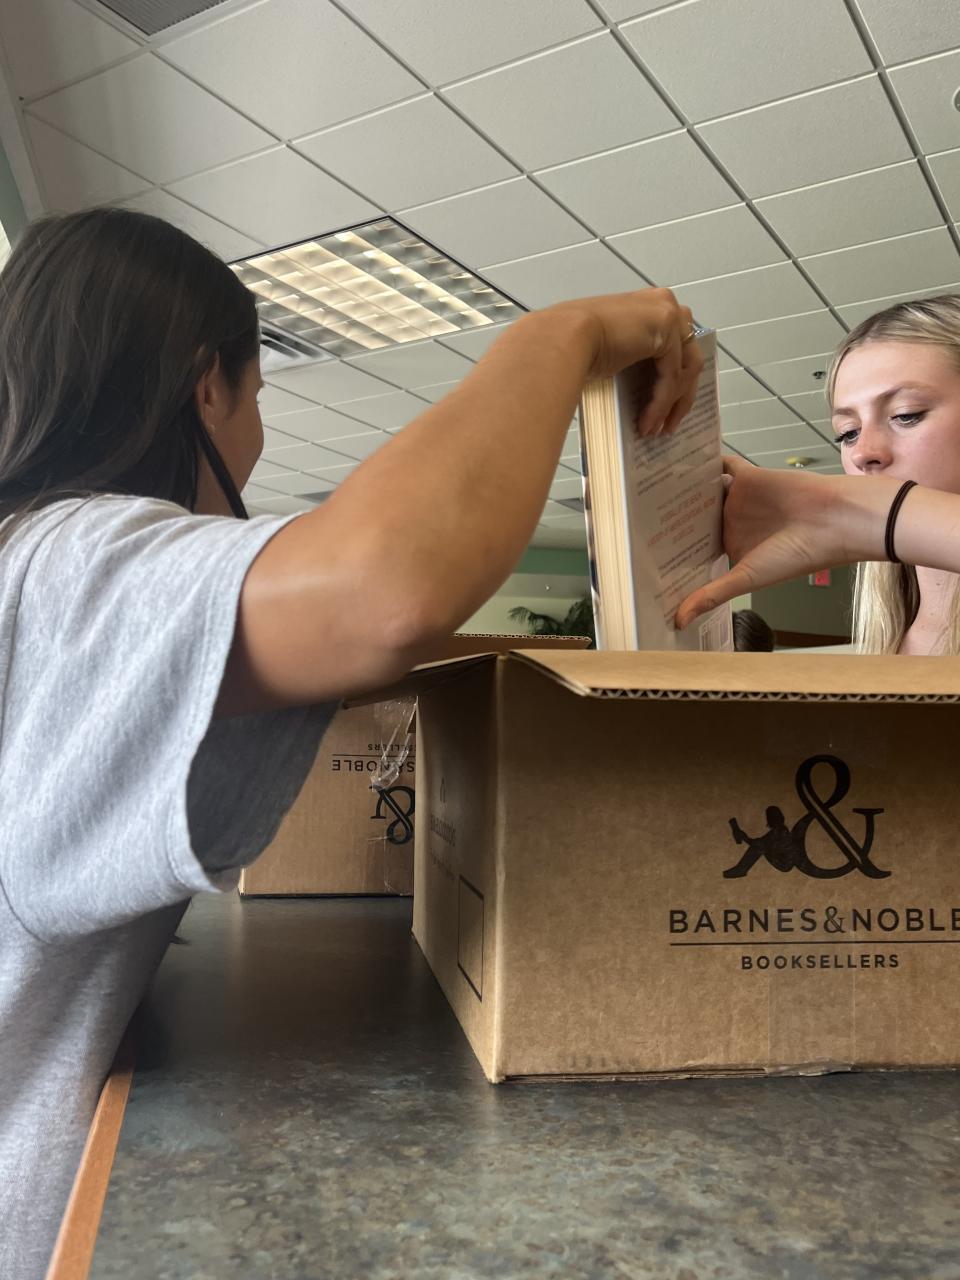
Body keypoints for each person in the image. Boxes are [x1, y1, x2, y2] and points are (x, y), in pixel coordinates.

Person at [0, 208, 703, 1277]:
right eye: (258, 395)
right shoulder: (60, 560)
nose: (256, 432)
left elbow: (344, 646)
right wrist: (562, 337)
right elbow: (384, 595)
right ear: (206, 386)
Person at [678, 293, 960, 655]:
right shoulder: (894, 637)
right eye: (848, 433)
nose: (861, 453)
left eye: (906, 414)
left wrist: (856, 513)